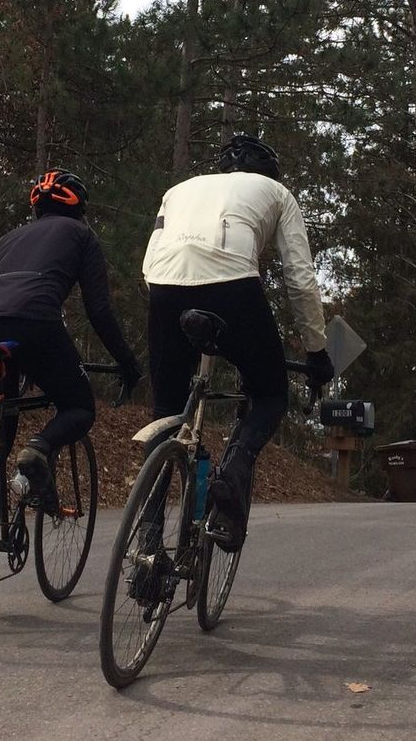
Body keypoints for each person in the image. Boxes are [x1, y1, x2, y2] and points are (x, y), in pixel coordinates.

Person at [142, 134, 334, 551]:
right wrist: (316, 350)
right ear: (269, 172)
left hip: (163, 285)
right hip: (232, 283)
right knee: (270, 395)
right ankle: (233, 472)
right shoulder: (277, 193)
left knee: (165, 411)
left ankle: (147, 539)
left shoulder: (178, 190)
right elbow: (300, 278)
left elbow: (151, 255)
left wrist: (166, 309)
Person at [0, 169, 144, 510]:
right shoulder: (82, 235)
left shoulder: (5, 239)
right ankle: (38, 448)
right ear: (79, 209)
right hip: (37, 323)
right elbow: (99, 311)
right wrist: (126, 362)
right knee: (79, 408)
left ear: (37, 207)